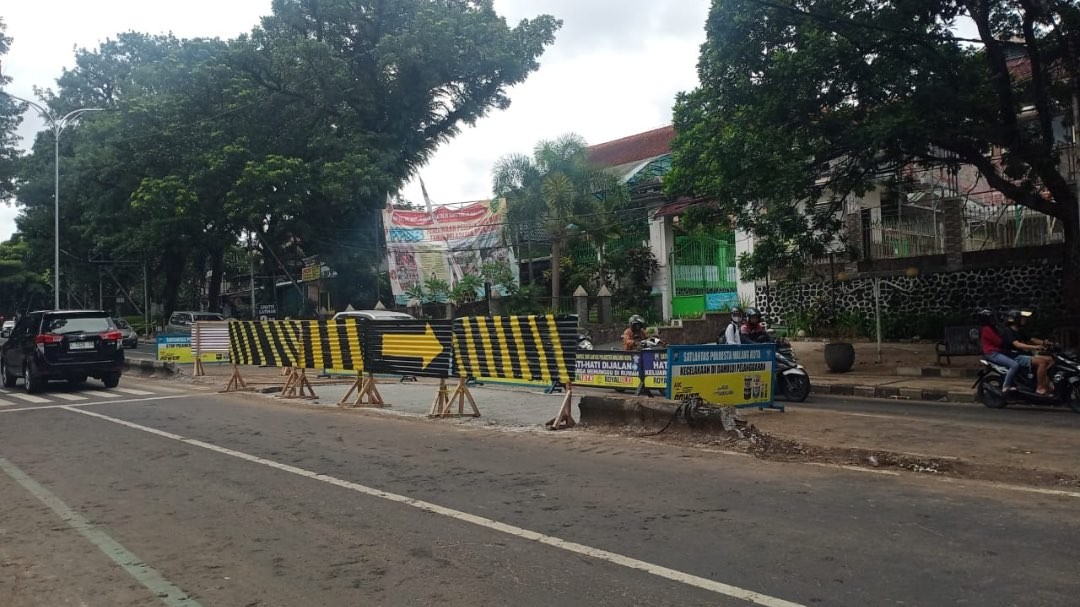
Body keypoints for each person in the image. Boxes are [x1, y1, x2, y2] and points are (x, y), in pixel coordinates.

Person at [1001, 310, 1051, 394]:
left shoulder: (1020, 330)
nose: (1024, 320)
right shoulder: (1008, 331)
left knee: (1050, 360)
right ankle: (1040, 387)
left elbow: (1032, 339)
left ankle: (1046, 384)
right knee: (1042, 362)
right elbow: (1017, 344)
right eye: (1021, 318)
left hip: (1023, 354)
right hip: (1015, 356)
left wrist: (1045, 343)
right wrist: (1034, 347)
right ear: (1015, 320)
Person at [978, 309, 1020, 392]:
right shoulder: (987, 329)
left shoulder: (992, 328)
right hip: (992, 353)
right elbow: (998, 341)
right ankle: (1006, 386)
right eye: (990, 318)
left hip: (997, 351)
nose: (992, 320)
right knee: (1014, 365)